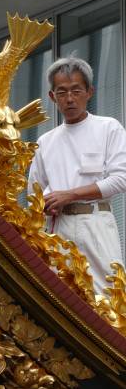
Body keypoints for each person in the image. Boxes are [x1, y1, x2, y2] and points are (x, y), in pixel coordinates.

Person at [27, 57, 126, 294]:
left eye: (76, 91)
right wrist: (45, 205)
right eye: (62, 92)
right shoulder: (45, 142)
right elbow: (33, 195)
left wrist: (68, 195)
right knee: (62, 297)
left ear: (89, 92)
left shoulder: (108, 127)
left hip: (96, 222)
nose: (69, 99)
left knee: (109, 295)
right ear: (52, 96)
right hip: (59, 228)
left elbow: (120, 179)